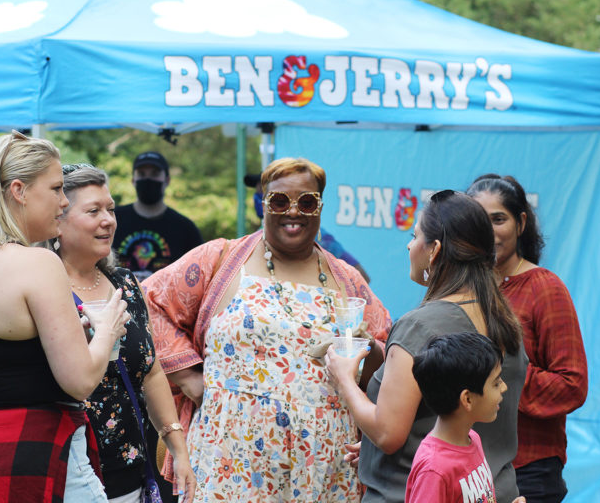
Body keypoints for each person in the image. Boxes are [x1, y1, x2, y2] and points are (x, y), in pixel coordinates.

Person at [143, 157, 392, 502]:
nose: (293, 211)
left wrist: (370, 351)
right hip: (230, 459)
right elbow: (149, 301)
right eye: (279, 201)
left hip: (324, 464)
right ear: (263, 204)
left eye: (306, 202)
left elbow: (386, 353)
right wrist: (187, 376)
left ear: (320, 206)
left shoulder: (346, 279)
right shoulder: (222, 259)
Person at [0, 132, 129, 502]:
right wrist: (106, 331)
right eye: (55, 189)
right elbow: (81, 381)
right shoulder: (39, 263)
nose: (64, 201)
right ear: (19, 191)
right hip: (36, 454)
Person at [326, 190, 528, 503]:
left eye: (414, 235)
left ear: (434, 250)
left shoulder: (421, 326)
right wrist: (370, 449)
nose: (409, 245)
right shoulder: (503, 318)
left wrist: (343, 380)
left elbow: (388, 434)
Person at [52, 163, 196, 503]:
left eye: (111, 209)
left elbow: (151, 370)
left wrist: (178, 448)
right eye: (94, 210)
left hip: (130, 470)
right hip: (66, 471)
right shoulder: (45, 287)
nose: (108, 220)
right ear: (58, 221)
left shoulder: (126, 284)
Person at [468, 174, 588, 503]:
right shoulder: (464, 290)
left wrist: (503, 374)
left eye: (498, 219)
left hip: (528, 472)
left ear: (521, 223)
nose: (489, 231)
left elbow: (572, 385)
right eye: (480, 220)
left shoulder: (544, 288)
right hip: (470, 469)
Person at [407, 332, 525, 503]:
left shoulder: (472, 438)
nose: (504, 387)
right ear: (467, 399)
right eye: (496, 382)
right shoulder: (434, 470)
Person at [244, 173, 371, 282]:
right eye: (259, 191)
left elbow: (361, 277)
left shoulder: (318, 239)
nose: (258, 196)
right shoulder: (251, 243)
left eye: (279, 199)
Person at [113, 151, 203, 282]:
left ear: (167, 180)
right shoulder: (113, 220)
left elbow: (198, 275)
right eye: (142, 174)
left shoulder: (185, 228)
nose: (148, 180)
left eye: (155, 174)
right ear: (133, 180)